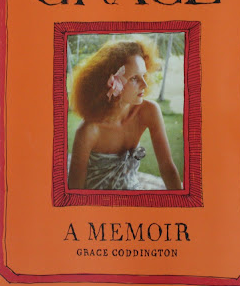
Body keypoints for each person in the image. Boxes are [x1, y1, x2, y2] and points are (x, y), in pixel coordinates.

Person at [68, 38, 183, 190]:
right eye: (134, 78)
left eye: (144, 75)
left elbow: (167, 167)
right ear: (111, 83)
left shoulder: (149, 111)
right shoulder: (89, 131)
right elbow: (75, 189)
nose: (145, 84)